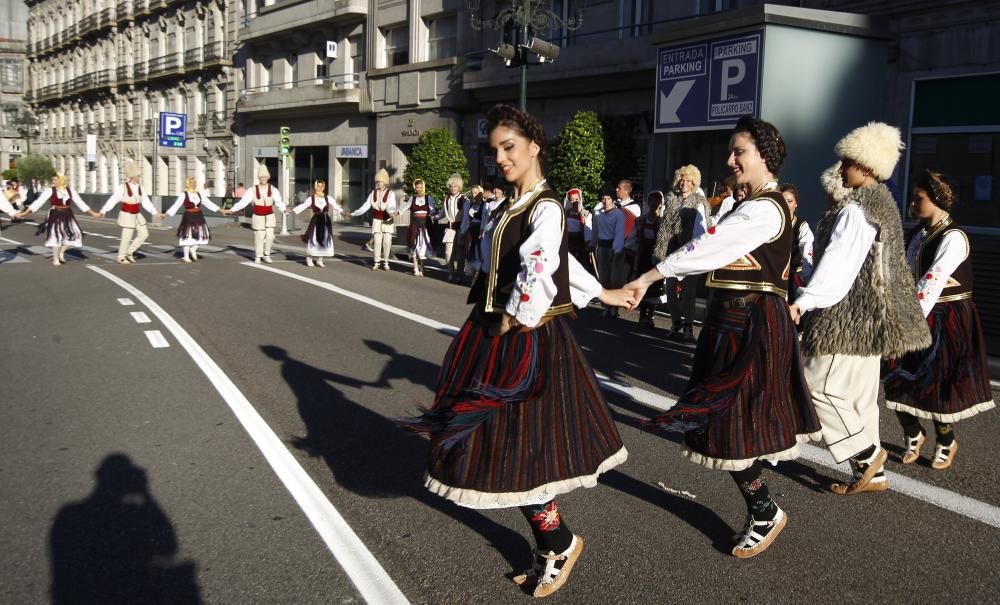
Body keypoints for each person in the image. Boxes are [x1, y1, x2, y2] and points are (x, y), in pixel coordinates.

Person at [401, 104, 633, 598]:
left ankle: (559, 543)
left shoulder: (546, 206)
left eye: (509, 148)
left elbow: (543, 264)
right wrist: (606, 293)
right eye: (494, 151)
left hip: (523, 339)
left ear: (534, 146)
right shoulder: (512, 205)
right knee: (508, 444)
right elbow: (560, 265)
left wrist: (517, 315)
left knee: (521, 447)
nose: (501, 158)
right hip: (495, 330)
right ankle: (556, 541)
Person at [625, 116, 822, 559]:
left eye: (739, 152)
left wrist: (649, 276)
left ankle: (765, 510)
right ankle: (763, 508)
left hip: (750, 323)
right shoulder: (751, 204)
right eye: (731, 151)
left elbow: (708, 247)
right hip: (734, 321)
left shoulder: (765, 208)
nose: (730, 159)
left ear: (765, 157)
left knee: (730, 419)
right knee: (725, 419)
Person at [788, 123, 931, 496]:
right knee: (861, 398)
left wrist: (804, 300)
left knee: (814, 385)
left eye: (849, 161)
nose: (841, 168)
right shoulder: (885, 207)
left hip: (846, 319)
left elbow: (838, 265)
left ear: (866, 167)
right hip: (875, 321)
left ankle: (866, 455)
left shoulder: (855, 211)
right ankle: (874, 475)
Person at [882, 169, 994, 469]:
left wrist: (906, 325)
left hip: (948, 318)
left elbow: (931, 282)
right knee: (894, 375)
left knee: (939, 382)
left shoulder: (953, 237)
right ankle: (913, 433)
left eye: (919, 199)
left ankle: (946, 441)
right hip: (919, 311)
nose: (913, 205)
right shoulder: (919, 235)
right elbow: (907, 277)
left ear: (936, 199)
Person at [656, 164, 710, 341]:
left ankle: (688, 325)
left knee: (689, 291)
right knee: (670, 288)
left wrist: (694, 252)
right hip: (672, 250)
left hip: (690, 251)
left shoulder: (699, 201)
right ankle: (676, 321)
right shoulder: (671, 199)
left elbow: (702, 229)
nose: (684, 183)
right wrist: (660, 250)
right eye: (682, 179)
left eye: (688, 180)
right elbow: (663, 229)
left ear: (694, 182)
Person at [16, 173, 101, 265]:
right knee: (56, 236)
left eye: (55, 180)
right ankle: (56, 259)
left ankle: (61, 252)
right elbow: (38, 203)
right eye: (53, 180)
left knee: (76, 235)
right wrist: (25, 213)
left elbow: (80, 203)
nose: (53, 182)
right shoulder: (50, 191)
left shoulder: (70, 190)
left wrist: (93, 213)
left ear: (62, 180)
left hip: (68, 214)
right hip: (55, 214)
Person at [98, 162, 158, 264]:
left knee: (144, 234)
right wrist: (104, 210)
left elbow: (146, 201)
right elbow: (114, 199)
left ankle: (130, 251)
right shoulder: (123, 187)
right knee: (126, 237)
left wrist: (155, 212)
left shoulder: (140, 187)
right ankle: (121, 257)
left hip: (137, 214)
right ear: (133, 176)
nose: (140, 177)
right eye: (138, 176)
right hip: (127, 214)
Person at [228, 165, 287, 264]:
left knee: (270, 236)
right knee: (259, 236)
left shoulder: (273, 189)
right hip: (258, 216)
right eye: (261, 177)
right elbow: (244, 201)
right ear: (259, 178)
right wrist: (232, 209)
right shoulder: (253, 190)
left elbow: (278, 202)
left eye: (265, 177)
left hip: (269, 216)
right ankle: (258, 256)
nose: (263, 178)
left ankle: (266, 254)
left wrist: (284, 210)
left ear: (268, 177)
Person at [160, 177, 222, 262]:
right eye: (192, 182)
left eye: (195, 182)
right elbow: (176, 205)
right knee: (187, 236)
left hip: (199, 216)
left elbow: (208, 203)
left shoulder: (199, 193)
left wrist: (221, 210)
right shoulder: (184, 194)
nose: (194, 184)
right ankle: (186, 256)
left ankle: (193, 249)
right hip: (189, 216)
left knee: (203, 235)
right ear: (188, 183)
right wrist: (166, 214)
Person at [351, 168, 397, 271]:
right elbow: (366, 206)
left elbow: (391, 205)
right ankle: (376, 262)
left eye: (381, 181)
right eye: (377, 182)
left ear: (385, 182)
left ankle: (385, 262)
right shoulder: (373, 193)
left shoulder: (391, 194)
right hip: (376, 220)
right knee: (377, 242)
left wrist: (391, 212)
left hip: (387, 220)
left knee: (387, 242)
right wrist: (354, 213)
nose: (379, 183)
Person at [291, 179, 342, 267]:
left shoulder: (328, 198)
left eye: (322, 186)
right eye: (318, 186)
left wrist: (343, 212)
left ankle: (319, 259)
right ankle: (309, 257)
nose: (320, 188)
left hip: (325, 220)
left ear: (324, 187)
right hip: (316, 220)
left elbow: (336, 206)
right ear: (315, 187)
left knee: (324, 239)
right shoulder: (311, 198)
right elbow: (303, 205)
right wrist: (292, 211)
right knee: (314, 238)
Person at [779, 183, 814, 303]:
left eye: (789, 201)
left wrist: (807, 277)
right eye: (782, 201)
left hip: (794, 276)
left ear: (796, 204)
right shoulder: (771, 224)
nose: (785, 205)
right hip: (773, 275)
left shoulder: (801, 226)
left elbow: (807, 252)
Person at [635, 190, 665, 329]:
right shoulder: (640, 220)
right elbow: (634, 239)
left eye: (656, 200)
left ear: (661, 203)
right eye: (651, 200)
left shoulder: (663, 222)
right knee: (642, 285)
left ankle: (651, 315)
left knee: (655, 287)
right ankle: (642, 315)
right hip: (642, 257)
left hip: (656, 257)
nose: (654, 203)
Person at [591, 193, 621, 317]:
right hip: (601, 247)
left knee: (614, 278)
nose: (605, 201)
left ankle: (614, 306)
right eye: (603, 198)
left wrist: (617, 250)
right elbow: (595, 231)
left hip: (613, 248)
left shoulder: (618, 214)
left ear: (612, 200)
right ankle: (606, 306)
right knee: (603, 278)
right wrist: (592, 245)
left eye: (608, 198)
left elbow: (619, 233)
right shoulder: (598, 214)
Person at [436, 173, 468, 282]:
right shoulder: (447, 199)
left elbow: (466, 216)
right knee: (448, 252)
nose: (452, 188)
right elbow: (442, 213)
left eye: (455, 186)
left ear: (459, 186)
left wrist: (464, 230)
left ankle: (459, 274)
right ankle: (451, 272)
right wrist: (435, 217)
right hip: (449, 229)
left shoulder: (464, 199)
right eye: (451, 186)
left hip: (460, 229)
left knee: (460, 254)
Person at [400, 178, 436, 276]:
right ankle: (415, 267)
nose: (419, 189)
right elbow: (405, 207)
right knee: (414, 246)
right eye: (417, 187)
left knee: (423, 247)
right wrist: (397, 212)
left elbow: (433, 210)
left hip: (425, 225)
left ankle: (422, 268)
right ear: (415, 188)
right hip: (415, 225)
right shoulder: (413, 198)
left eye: (420, 187)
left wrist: (433, 214)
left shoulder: (428, 198)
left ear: (423, 187)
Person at [563, 188, 594, 275]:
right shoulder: (565, 214)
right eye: (572, 200)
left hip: (581, 245)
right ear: (569, 201)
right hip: (568, 245)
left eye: (576, 199)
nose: (574, 201)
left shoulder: (585, 213)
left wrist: (589, 243)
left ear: (580, 199)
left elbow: (588, 229)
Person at [460, 183, 485, 276]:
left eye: (476, 192)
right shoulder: (469, 203)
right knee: (470, 251)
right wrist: (463, 231)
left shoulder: (485, 204)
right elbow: (466, 219)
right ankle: (473, 274)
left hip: (479, 231)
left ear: (480, 192)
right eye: (473, 193)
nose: (475, 195)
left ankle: (478, 274)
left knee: (479, 252)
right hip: (470, 231)